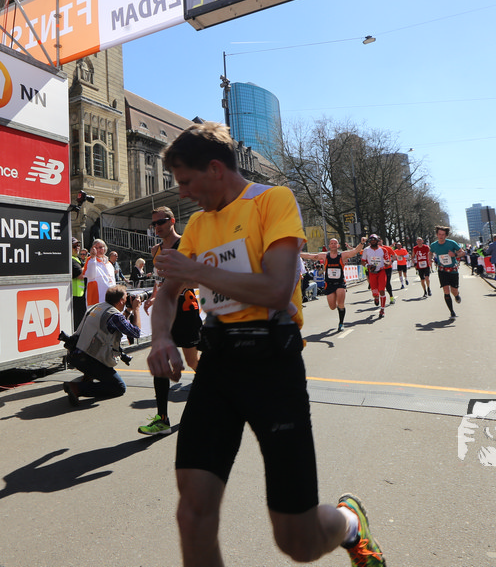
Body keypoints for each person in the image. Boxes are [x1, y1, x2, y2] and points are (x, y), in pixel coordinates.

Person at [147, 122, 385, 567]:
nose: (182, 194)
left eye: (186, 181)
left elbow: (276, 288)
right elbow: (167, 294)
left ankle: (350, 523)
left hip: (272, 365)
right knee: (192, 514)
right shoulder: (198, 224)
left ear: (215, 168)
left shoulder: (273, 200)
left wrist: (197, 272)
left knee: (298, 543)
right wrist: (161, 336)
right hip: (218, 365)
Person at [140, 206, 202, 434]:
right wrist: (154, 296)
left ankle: (219, 391)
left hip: (185, 312)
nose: (157, 227)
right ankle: (162, 419)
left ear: (172, 221)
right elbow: (160, 280)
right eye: (154, 223)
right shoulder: (155, 250)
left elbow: (198, 280)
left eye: (161, 222)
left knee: (193, 362)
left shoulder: (186, 245)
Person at [63, 285, 141, 405]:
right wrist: (136, 309)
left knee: (100, 366)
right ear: (121, 301)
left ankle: (86, 379)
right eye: (126, 297)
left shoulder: (99, 306)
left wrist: (128, 310)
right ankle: (77, 388)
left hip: (75, 354)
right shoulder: (114, 315)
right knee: (119, 387)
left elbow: (118, 324)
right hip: (88, 358)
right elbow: (136, 333)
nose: (128, 300)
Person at [300, 238, 363, 331]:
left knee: (341, 303)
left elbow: (355, 251)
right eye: (331, 243)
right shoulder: (325, 256)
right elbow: (310, 256)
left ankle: (341, 323)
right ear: (329, 246)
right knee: (332, 307)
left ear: (338, 245)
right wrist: (297, 253)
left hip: (340, 283)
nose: (333, 245)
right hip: (329, 284)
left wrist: (362, 242)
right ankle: (338, 307)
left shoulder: (342, 255)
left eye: (335, 243)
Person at [430, 226, 464, 318]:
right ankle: (452, 311)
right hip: (442, 270)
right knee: (446, 290)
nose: (441, 236)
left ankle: (456, 295)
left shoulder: (452, 243)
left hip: (452, 270)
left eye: (443, 234)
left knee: (454, 290)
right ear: (437, 235)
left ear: (446, 235)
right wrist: (430, 259)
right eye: (439, 234)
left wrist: (455, 254)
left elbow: (462, 252)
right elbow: (430, 252)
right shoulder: (433, 245)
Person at [360, 234, 392, 318]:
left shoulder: (383, 250)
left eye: (375, 240)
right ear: (369, 242)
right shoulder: (366, 250)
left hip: (381, 272)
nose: (373, 241)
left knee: (382, 290)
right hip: (372, 273)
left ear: (378, 241)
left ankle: (382, 310)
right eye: (371, 240)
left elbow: (388, 261)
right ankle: (376, 298)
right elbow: (362, 261)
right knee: (375, 293)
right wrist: (368, 266)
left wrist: (387, 263)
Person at [84, 239, 116, 307]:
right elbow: (90, 275)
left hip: (110, 299)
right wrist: (93, 257)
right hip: (97, 300)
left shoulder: (109, 263)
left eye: (101, 247)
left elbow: (113, 281)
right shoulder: (90, 260)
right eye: (96, 248)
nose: (98, 249)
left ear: (105, 248)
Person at [71, 239, 87, 327]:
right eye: (74, 246)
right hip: (75, 296)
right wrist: (89, 264)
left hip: (81, 295)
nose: (77, 248)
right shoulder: (71, 259)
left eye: (78, 245)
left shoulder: (78, 259)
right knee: (78, 323)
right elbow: (81, 275)